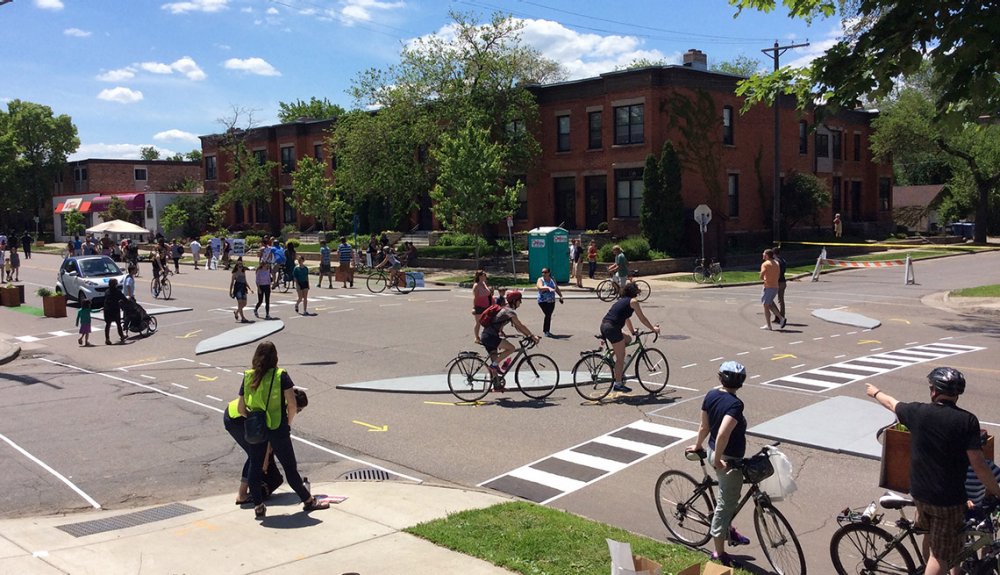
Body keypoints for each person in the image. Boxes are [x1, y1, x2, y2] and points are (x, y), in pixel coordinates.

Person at [866, 368, 1000, 575]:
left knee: (934, 537)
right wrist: (996, 491)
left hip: (920, 493)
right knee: (941, 555)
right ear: (957, 393)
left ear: (934, 391)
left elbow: (892, 403)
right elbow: (979, 464)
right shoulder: (967, 421)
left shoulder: (917, 412)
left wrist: (875, 392)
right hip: (947, 501)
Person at [238, 341, 329, 519]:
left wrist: (255, 416)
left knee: (255, 467)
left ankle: (258, 505)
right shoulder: (281, 375)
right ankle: (308, 500)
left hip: (257, 427)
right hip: (277, 426)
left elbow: (242, 408)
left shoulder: (248, 376)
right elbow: (292, 405)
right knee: (289, 468)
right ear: (275, 357)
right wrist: (287, 423)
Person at [686, 361, 752, 568]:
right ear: (741, 382)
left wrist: (698, 445)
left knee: (731, 496)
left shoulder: (711, 395)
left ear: (720, 377)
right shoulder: (735, 404)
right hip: (726, 459)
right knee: (725, 504)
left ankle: (728, 529)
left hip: (716, 451)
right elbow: (723, 433)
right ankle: (719, 552)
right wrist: (716, 460)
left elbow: (704, 426)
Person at [225, 387, 308, 505]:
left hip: (248, 416)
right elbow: (269, 433)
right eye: (298, 410)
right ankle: (241, 495)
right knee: (255, 454)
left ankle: (257, 486)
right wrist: (264, 458)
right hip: (236, 419)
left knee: (262, 455)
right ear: (293, 403)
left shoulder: (282, 399)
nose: (297, 412)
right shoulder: (280, 406)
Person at [600, 281, 660, 392]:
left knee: (628, 339)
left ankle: (610, 356)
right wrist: (653, 329)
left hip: (606, 325)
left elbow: (626, 318)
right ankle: (618, 384)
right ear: (635, 292)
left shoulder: (623, 301)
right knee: (621, 357)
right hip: (612, 328)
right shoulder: (633, 301)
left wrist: (632, 331)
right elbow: (642, 318)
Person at [479, 290, 539, 385]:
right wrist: (531, 336)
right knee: (511, 348)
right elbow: (520, 325)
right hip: (490, 337)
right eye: (520, 300)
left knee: (495, 360)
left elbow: (511, 325)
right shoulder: (509, 311)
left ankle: (496, 385)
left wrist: (502, 331)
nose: (521, 302)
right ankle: (493, 366)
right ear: (515, 301)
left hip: (487, 336)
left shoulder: (505, 309)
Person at [759, 249, 786, 331]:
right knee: (769, 303)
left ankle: (769, 325)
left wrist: (763, 278)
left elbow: (761, 275)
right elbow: (778, 275)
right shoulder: (776, 263)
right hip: (775, 286)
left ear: (767, 255)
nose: (763, 255)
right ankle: (781, 318)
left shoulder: (765, 264)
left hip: (768, 286)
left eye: (764, 254)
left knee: (766, 305)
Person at [535, 267, 563, 338]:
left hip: (551, 301)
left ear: (549, 273)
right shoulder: (540, 279)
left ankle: (547, 331)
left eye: (545, 272)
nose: (543, 274)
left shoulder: (552, 279)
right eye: (542, 272)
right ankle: (546, 331)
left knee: (549, 315)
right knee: (547, 314)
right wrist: (548, 288)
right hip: (542, 301)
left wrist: (560, 296)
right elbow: (539, 287)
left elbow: (556, 288)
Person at [471, 270, 493, 344]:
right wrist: (474, 307)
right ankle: (477, 338)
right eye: (484, 275)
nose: (485, 277)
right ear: (480, 276)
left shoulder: (483, 283)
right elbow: (475, 297)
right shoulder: (476, 285)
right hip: (479, 306)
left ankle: (487, 336)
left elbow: (488, 293)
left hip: (487, 306)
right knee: (478, 323)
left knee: (488, 322)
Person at [102, 278, 126, 345]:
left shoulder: (107, 291)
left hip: (107, 310)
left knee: (108, 324)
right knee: (118, 324)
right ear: (115, 284)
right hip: (115, 310)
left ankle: (107, 339)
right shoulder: (117, 291)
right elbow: (123, 298)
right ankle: (122, 336)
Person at [230, 257, 253, 323]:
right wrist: (230, 292)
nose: (240, 267)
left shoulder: (243, 272)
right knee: (240, 303)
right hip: (238, 288)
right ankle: (243, 318)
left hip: (243, 288)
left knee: (244, 303)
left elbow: (245, 281)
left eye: (241, 266)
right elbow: (232, 283)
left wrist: (250, 288)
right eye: (239, 266)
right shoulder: (235, 273)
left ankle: (236, 312)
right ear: (237, 266)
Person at [771, 246, 788, 323]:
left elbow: (776, 272)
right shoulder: (783, 260)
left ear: (774, 253)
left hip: (777, 282)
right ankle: (782, 315)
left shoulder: (775, 261)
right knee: (781, 300)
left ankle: (778, 316)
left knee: (769, 299)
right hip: (783, 281)